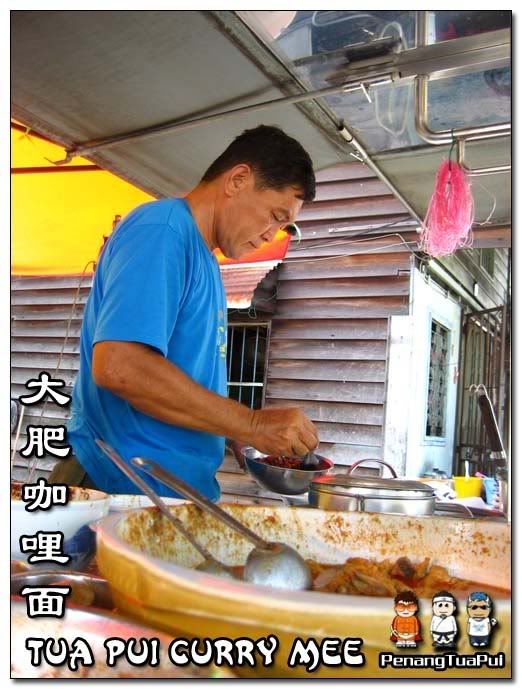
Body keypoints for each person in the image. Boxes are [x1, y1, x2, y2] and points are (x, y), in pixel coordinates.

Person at [49, 125, 319, 500]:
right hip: (116, 486)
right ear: (238, 179)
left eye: (283, 225)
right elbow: (120, 367)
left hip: (166, 493)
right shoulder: (162, 230)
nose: (271, 234)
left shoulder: (205, 260)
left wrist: (231, 429)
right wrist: (251, 423)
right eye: (274, 215)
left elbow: (184, 380)